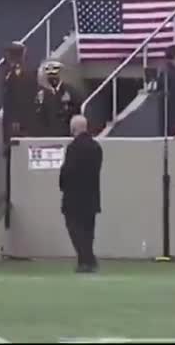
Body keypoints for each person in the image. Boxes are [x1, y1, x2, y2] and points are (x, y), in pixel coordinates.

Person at [59, 115, 102, 274]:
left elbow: (67, 171)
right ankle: (88, 259)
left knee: (75, 229)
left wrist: (62, 185)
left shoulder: (73, 148)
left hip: (73, 197)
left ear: (73, 129)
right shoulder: (96, 147)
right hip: (91, 196)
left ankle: (85, 260)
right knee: (88, 230)